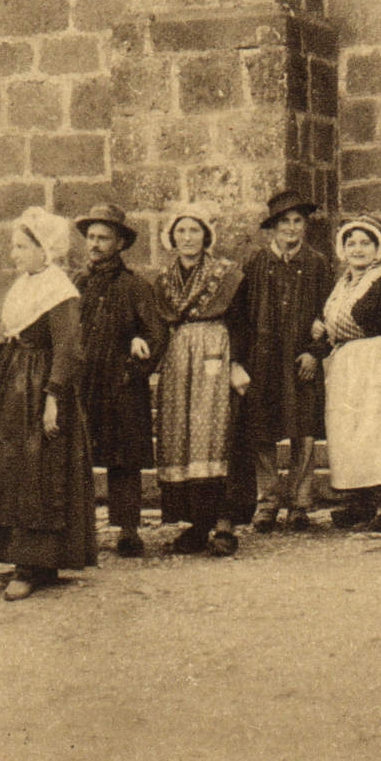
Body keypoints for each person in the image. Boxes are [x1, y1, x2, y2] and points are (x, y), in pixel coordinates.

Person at [0, 208, 99, 599]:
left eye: (22, 246)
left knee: (40, 471)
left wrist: (53, 398)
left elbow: (69, 349)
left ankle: (35, 562)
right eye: (14, 246)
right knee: (13, 470)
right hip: (14, 384)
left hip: (41, 387)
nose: (14, 254)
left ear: (45, 250)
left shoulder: (59, 290)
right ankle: (25, 558)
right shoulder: (26, 283)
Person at [152, 205, 251, 556]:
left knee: (216, 437)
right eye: (181, 232)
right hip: (180, 361)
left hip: (216, 354)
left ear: (206, 236)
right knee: (184, 439)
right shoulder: (164, 280)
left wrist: (236, 362)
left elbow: (241, 322)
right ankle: (197, 524)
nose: (188, 238)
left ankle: (224, 523)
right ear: (172, 238)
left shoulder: (226, 275)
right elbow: (158, 326)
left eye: (194, 231)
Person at [311, 215, 381, 530]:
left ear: (377, 249)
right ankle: (359, 502)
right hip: (346, 364)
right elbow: (331, 325)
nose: (357, 249)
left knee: (377, 433)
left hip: (376, 361)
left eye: (365, 243)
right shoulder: (341, 284)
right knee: (349, 434)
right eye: (351, 243)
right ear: (342, 249)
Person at [236, 189, 333, 534]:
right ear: (273, 228)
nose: (292, 229)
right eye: (285, 223)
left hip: (301, 359)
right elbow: (242, 316)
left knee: (303, 429)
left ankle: (300, 501)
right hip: (263, 360)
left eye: (298, 222)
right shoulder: (256, 263)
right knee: (262, 430)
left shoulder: (318, 263)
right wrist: (241, 362)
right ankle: (268, 500)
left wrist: (315, 352)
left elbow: (329, 312)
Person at [72, 203, 166, 557]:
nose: (95, 244)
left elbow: (157, 337)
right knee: (78, 456)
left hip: (122, 386)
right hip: (83, 384)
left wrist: (133, 372)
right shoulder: (76, 284)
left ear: (120, 244)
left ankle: (128, 529)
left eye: (104, 238)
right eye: (91, 237)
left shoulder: (135, 287)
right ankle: (81, 530)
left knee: (124, 459)